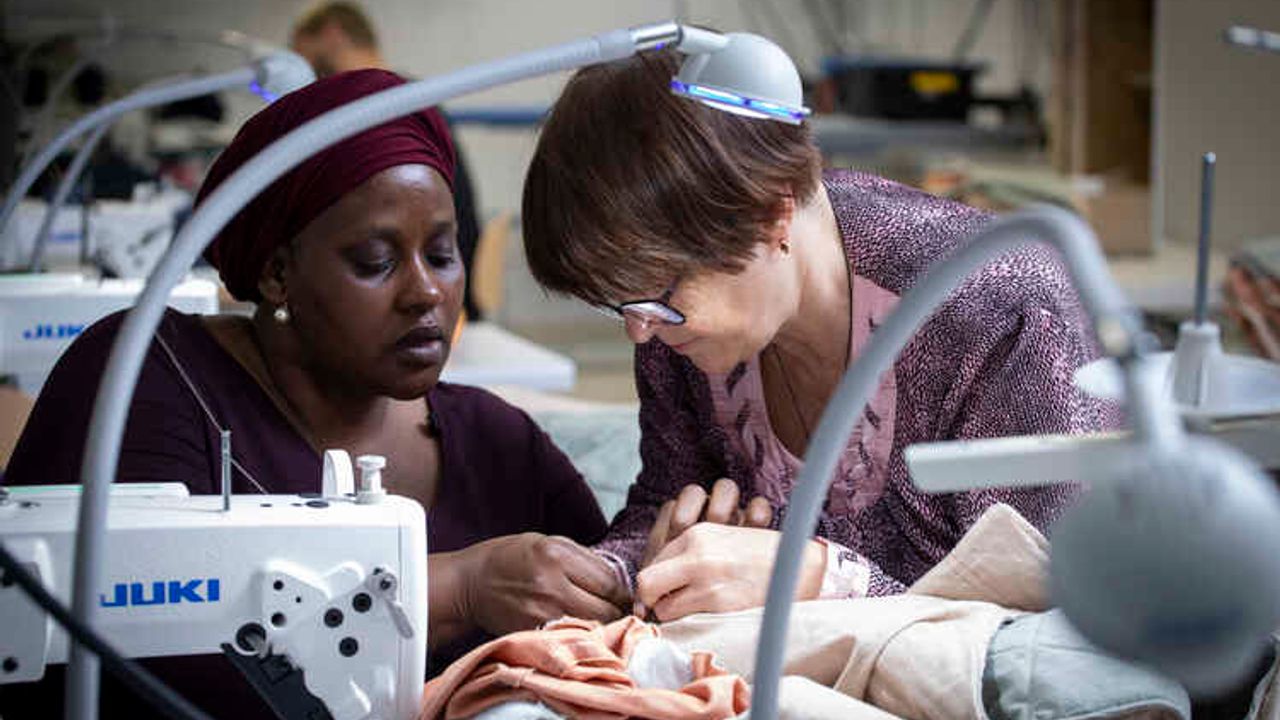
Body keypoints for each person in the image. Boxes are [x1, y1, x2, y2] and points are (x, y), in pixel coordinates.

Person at [1, 69, 625, 719]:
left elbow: (625, 622)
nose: (425, 293)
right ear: (277, 273)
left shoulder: (499, 443)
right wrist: (459, 588)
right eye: (375, 261)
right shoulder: (145, 378)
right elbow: (144, 671)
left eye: (442, 255)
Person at [521, 51, 1118, 622]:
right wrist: (620, 571)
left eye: (657, 294)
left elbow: (1053, 619)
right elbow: (666, 494)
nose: (639, 329)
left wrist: (815, 578)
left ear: (771, 216)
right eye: (618, 302)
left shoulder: (1000, 307)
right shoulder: (672, 332)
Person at [290, 0, 486, 320]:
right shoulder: (413, 98)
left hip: (417, 310)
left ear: (331, 33)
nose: (299, 64)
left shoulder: (369, 107)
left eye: (300, 50)